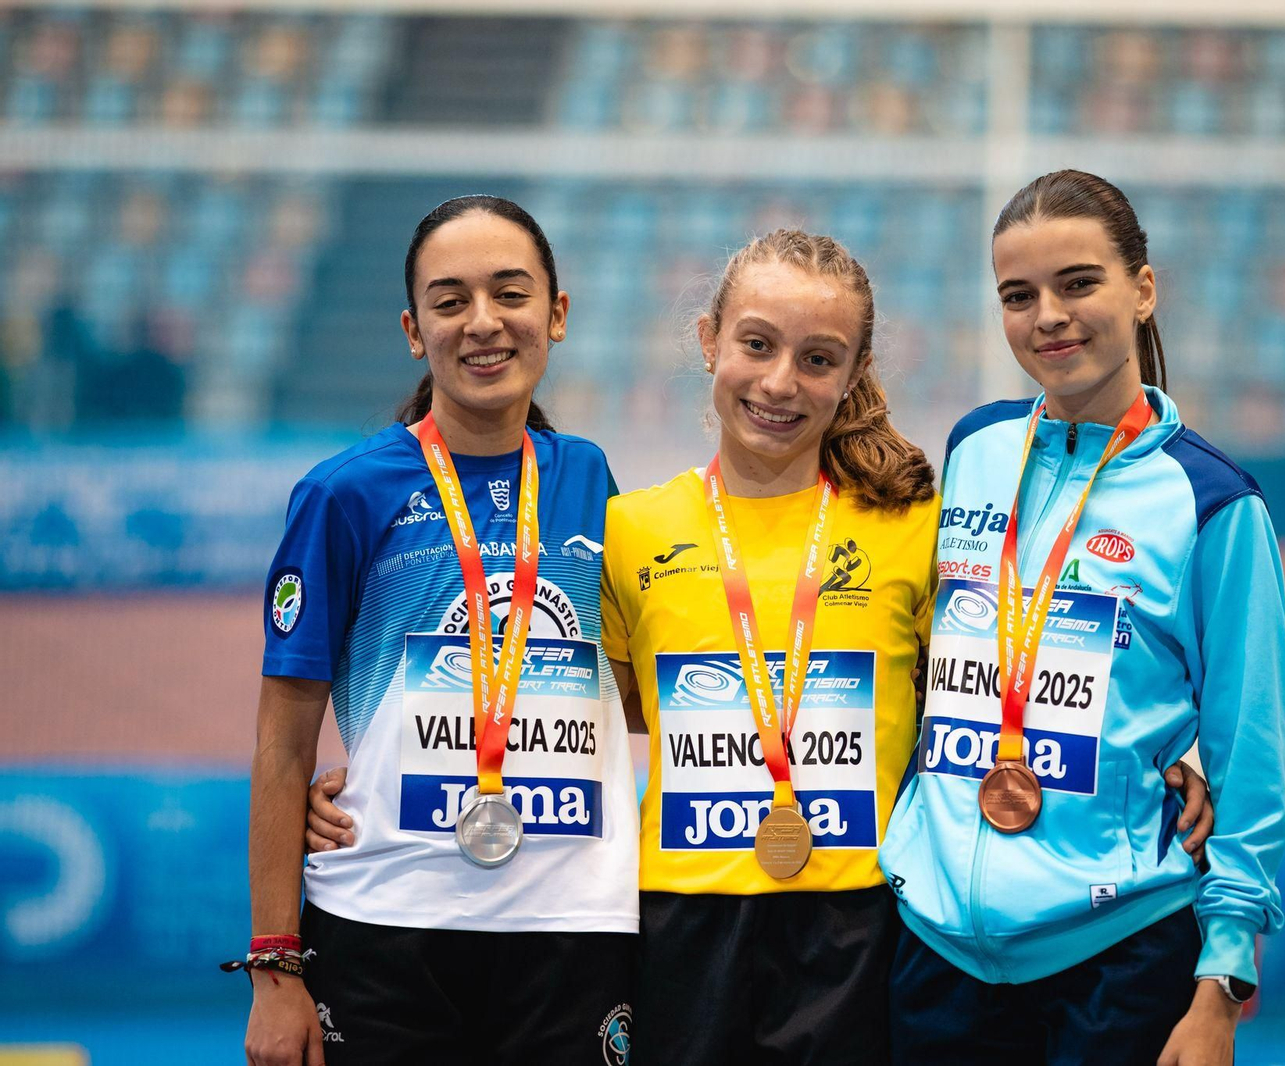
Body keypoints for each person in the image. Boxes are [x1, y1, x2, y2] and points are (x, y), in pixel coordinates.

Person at [305, 225, 1216, 1064]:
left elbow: (998, 680)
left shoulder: (912, 527)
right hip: (675, 923)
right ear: (709, 342)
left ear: (853, 371)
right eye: (756, 346)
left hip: (859, 925)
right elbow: (571, 696)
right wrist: (384, 779)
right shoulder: (631, 526)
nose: (780, 383)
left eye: (817, 359)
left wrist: (1162, 759)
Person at [877, 168, 1285, 1066]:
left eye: (1078, 283)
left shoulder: (1214, 501)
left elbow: (1251, 759)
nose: (1048, 316)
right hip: (936, 946)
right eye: (1018, 295)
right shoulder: (975, 447)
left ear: (1143, 290)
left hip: (1121, 960)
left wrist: (1221, 985)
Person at [244, 195, 638, 1066]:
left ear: (557, 314)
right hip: (386, 925)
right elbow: (281, 744)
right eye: (450, 301)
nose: (484, 323)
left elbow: (622, 691)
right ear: (415, 330)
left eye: (511, 293)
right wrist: (276, 971)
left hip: (571, 928)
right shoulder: (345, 493)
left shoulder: (587, 476)